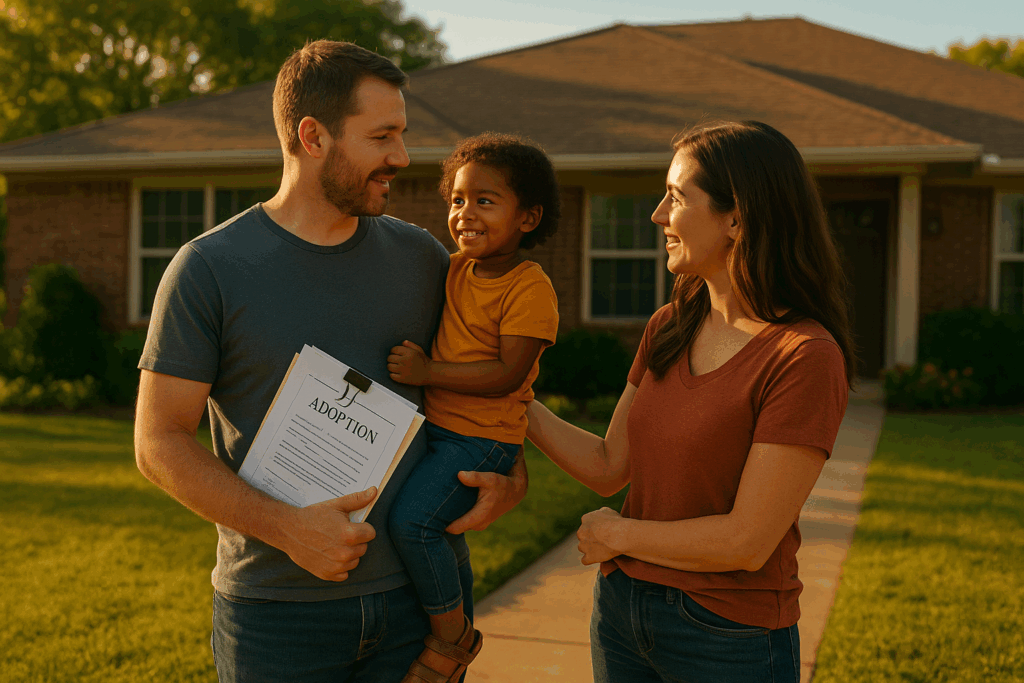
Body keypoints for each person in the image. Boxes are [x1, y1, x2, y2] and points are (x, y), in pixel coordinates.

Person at [133, 41, 528, 683]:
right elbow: (158, 441)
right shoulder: (209, 269)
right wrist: (287, 528)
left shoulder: (424, 260)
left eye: (401, 136)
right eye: (382, 137)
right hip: (277, 618)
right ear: (312, 137)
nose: (401, 158)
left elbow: (493, 386)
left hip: (415, 608)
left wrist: (512, 479)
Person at [524, 120, 857, 683]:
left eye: (676, 198)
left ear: (737, 217)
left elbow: (748, 541)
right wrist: (512, 399)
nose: (658, 215)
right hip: (623, 612)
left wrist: (620, 535)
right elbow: (610, 465)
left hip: (726, 636)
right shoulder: (671, 325)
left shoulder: (803, 356)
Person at [384, 133, 561, 683]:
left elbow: (508, 373)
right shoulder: (457, 268)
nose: (465, 214)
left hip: (482, 439)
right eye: (458, 200)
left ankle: (449, 637)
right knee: (446, 530)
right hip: (440, 429)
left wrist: (427, 372)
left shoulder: (529, 286)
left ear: (528, 217)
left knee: (413, 525)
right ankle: (461, 622)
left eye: (486, 201)